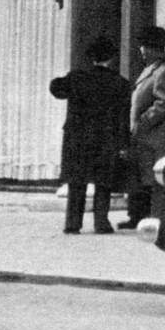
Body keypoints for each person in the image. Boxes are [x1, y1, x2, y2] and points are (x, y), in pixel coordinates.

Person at [49, 34, 130, 235]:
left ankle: (72, 223)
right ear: (111, 58)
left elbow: (55, 88)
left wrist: (69, 78)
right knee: (103, 183)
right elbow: (123, 117)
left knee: (77, 181)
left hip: (77, 138)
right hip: (105, 138)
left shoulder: (77, 78)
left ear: (90, 57)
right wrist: (123, 143)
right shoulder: (119, 83)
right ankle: (101, 222)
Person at [120, 25, 165, 229]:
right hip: (144, 135)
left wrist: (142, 121)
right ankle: (137, 217)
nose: (141, 50)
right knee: (140, 177)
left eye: (144, 46)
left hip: (154, 136)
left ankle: (155, 218)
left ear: (153, 48)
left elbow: (163, 103)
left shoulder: (164, 71)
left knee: (152, 181)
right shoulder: (152, 69)